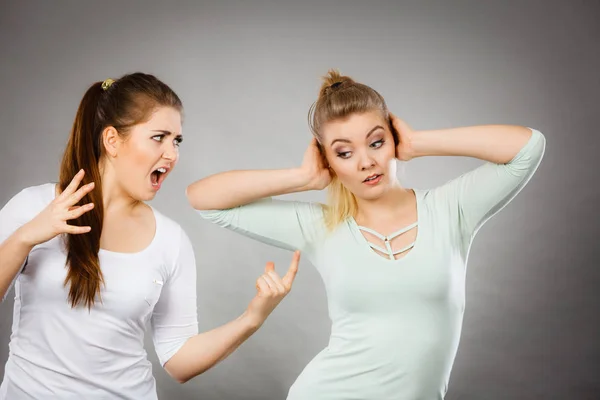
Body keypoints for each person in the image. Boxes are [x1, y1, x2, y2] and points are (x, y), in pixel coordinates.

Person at [186, 69, 546, 399]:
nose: (365, 162)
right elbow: (203, 199)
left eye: (376, 142)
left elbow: (528, 147)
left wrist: (419, 142)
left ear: (393, 139)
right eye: (344, 152)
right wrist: (302, 178)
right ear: (329, 162)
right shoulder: (321, 226)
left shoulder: (450, 209)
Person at [0, 73, 300, 400]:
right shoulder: (34, 206)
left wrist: (253, 317)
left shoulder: (171, 240)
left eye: (177, 141)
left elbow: (179, 361)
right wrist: (26, 236)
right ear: (112, 140)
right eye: (159, 137)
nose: (172, 154)